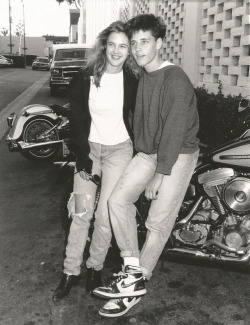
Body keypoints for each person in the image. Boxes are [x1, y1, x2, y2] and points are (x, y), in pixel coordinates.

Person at [93, 14, 200, 317]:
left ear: (159, 43)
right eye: (135, 43)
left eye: (145, 42)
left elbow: (175, 130)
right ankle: (132, 271)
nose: (138, 49)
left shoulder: (174, 78)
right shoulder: (143, 76)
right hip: (151, 153)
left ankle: (136, 285)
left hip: (177, 154)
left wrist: (160, 174)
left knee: (157, 221)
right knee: (116, 200)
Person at [52, 20, 139, 301]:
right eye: (112, 44)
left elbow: (140, 117)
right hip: (88, 152)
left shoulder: (132, 81)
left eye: (122, 46)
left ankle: (94, 268)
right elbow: (77, 122)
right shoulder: (84, 78)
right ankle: (70, 272)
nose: (116, 50)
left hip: (119, 152)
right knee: (80, 211)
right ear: (104, 46)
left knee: (104, 215)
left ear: (129, 51)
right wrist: (82, 157)